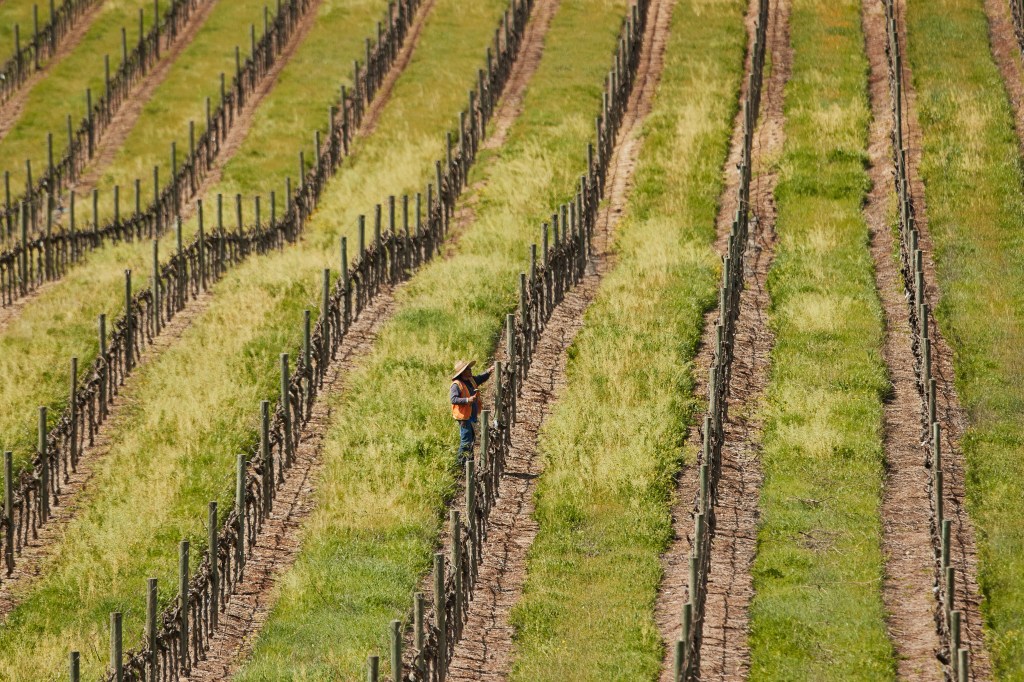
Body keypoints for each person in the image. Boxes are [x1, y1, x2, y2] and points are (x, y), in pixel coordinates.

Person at [450, 359, 494, 465]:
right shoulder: (456, 385)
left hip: (471, 415)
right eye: (468, 369)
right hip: (464, 417)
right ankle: (461, 464)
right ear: (463, 372)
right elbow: (453, 399)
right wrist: (467, 400)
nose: (470, 370)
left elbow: (480, 378)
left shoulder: (471, 380)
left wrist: (488, 371)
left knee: (471, 439)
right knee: (466, 441)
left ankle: (469, 462)